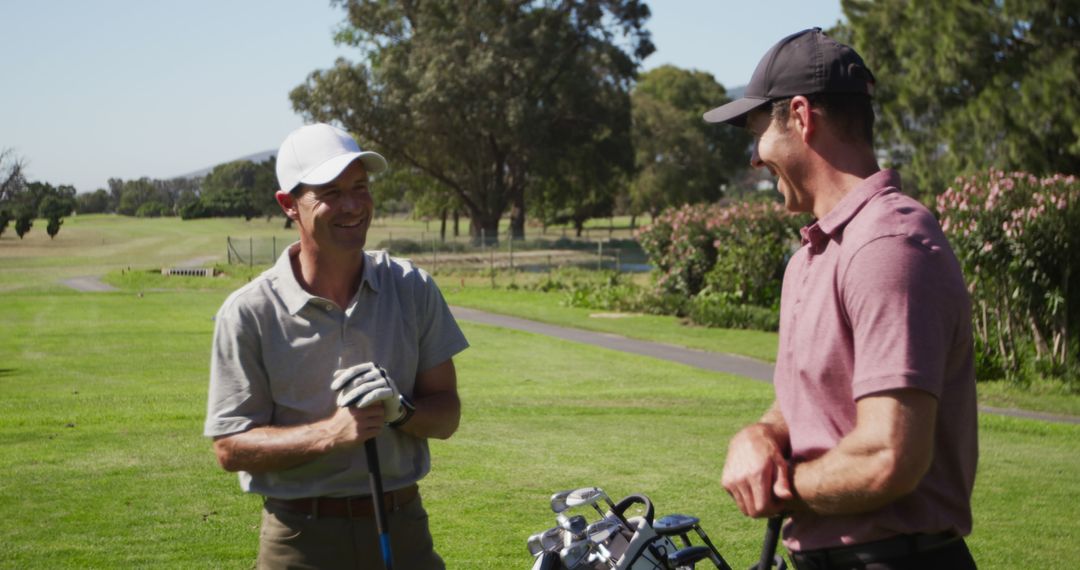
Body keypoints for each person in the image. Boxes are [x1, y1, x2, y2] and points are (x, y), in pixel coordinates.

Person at [704, 28, 978, 569]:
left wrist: (779, 486)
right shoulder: (814, 254)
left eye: (759, 133)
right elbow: (816, 399)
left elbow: (888, 457)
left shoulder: (887, 244)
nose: (755, 160)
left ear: (802, 118)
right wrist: (761, 434)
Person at [204, 122, 468, 569]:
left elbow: (447, 415)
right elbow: (230, 448)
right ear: (289, 205)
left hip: (402, 527)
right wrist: (332, 433)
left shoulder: (411, 287)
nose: (352, 205)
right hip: (300, 538)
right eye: (330, 192)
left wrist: (399, 412)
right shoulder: (248, 311)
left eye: (360, 187)